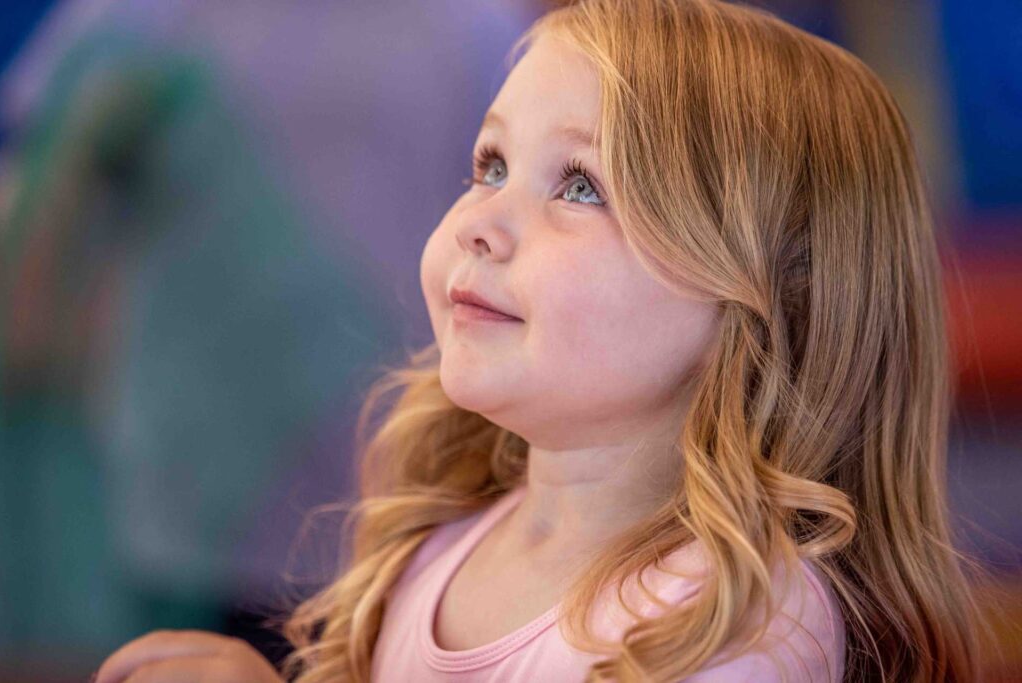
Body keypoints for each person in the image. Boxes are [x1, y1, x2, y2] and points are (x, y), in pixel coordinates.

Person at [93, 0, 985, 681]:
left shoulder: (737, 617)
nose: (482, 220)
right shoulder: (439, 544)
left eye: (581, 186)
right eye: (490, 165)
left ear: (768, 295)